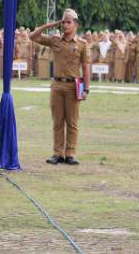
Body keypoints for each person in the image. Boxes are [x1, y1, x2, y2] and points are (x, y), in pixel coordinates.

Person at [30, 9, 90, 166]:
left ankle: (70, 153)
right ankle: (57, 153)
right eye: (63, 22)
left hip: (73, 86)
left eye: (68, 22)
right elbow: (33, 36)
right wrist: (53, 24)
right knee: (57, 122)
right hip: (57, 85)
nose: (65, 25)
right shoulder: (54, 40)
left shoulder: (82, 44)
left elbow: (86, 67)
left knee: (72, 122)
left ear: (76, 24)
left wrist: (86, 89)